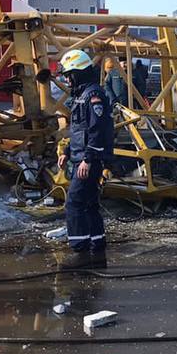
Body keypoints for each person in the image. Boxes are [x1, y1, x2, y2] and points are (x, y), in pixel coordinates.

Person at [57, 49, 114, 267]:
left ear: (78, 72)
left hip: (89, 160)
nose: (67, 79)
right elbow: (81, 131)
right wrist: (68, 152)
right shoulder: (82, 96)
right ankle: (96, 246)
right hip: (83, 157)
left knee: (74, 203)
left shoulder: (93, 96)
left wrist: (88, 159)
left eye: (69, 74)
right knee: (89, 204)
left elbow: (97, 130)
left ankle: (79, 251)